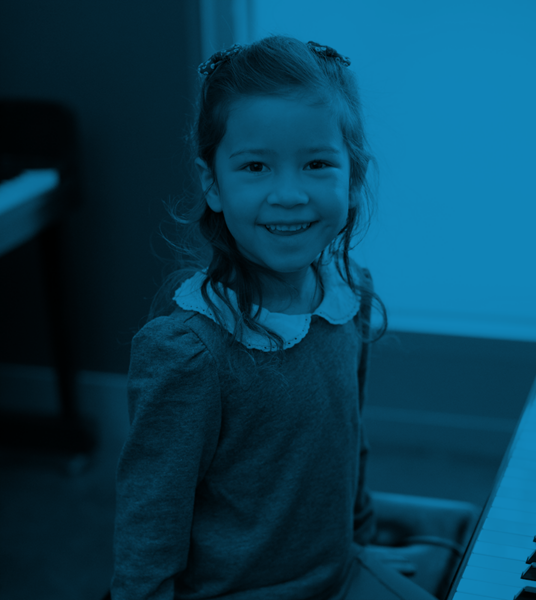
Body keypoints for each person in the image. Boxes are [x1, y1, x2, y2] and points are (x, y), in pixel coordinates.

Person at [110, 35, 439, 600]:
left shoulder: (348, 295)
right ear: (213, 183)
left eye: (316, 164)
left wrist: (358, 542)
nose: (289, 194)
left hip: (337, 570)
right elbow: (150, 520)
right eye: (256, 166)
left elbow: (349, 442)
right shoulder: (190, 350)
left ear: (352, 178)